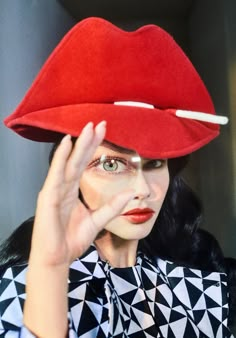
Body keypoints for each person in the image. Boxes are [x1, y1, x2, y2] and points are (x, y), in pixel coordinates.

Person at [0, 17, 235, 338]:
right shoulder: (21, 291)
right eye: (111, 164)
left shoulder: (207, 285)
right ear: (70, 173)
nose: (142, 190)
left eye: (154, 163)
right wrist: (50, 271)